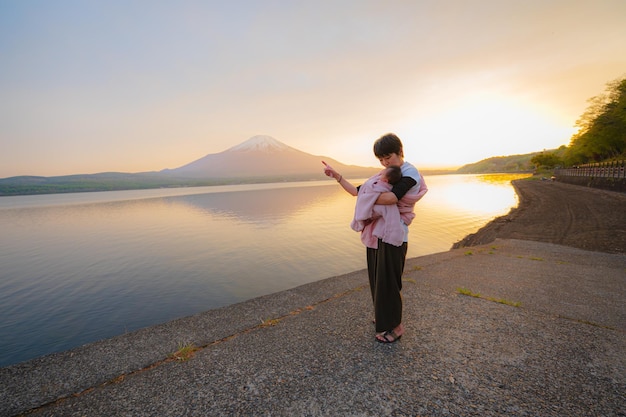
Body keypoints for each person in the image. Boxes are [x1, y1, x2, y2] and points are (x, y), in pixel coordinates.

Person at [322, 133, 427, 344]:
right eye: (381, 159)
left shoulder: (409, 172)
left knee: (389, 281)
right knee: (378, 279)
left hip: (394, 234)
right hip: (377, 233)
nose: (384, 162)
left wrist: (367, 196)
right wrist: (338, 177)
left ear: (399, 152)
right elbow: (356, 192)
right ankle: (383, 315)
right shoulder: (384, 175)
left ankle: (396, 326)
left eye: (388, 157)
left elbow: (392, 197)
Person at [351, 165, 404, 248]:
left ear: (385, 180)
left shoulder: (381, 186)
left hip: (374, 211)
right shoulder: (385, 185)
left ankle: (362, 221)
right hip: (374, 212)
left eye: (382, 175)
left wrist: (367, 195)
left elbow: (368, 194)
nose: (379, 176)